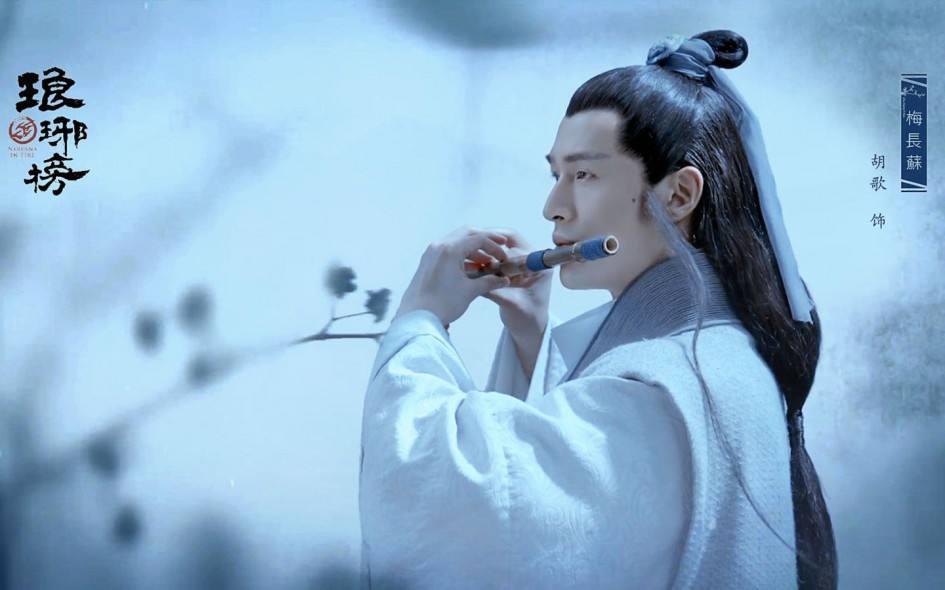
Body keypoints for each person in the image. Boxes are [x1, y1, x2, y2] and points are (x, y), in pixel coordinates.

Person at [359, 29, 837, 590]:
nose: (553, 207)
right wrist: (531, 340)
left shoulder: (666, 389)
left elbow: (469, 512)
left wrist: (420, 321)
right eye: (556, 175)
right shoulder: (715, 358)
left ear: (679, 195)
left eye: (584, 174)